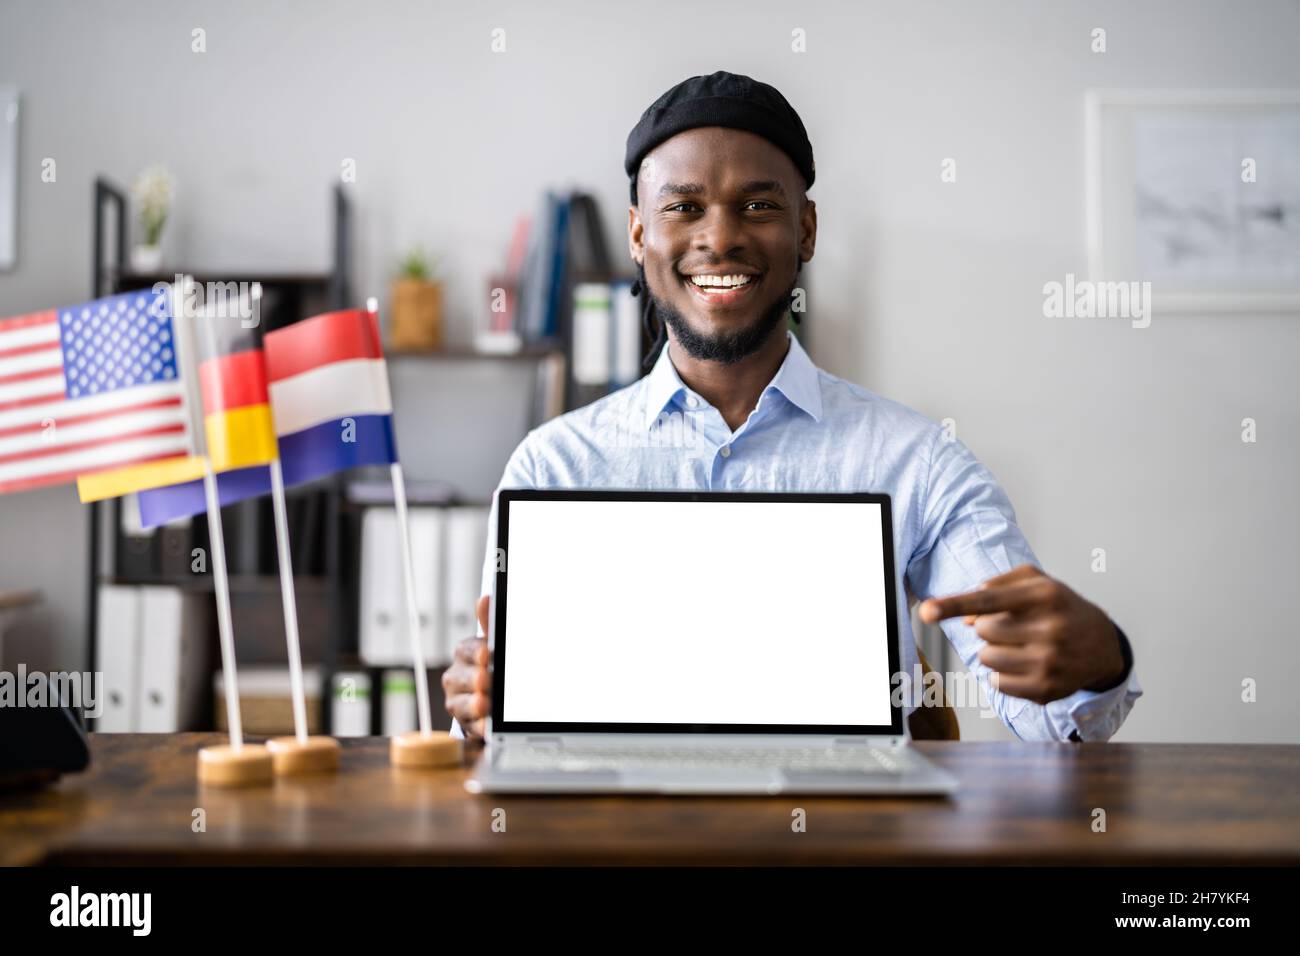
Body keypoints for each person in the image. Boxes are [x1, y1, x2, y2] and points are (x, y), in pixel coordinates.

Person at [444, 71, 1141, 744]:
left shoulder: (919, 463)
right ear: (637, 234)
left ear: (806, 230)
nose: (719, 238)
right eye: (683, 207)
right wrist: (480, 714)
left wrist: (1100, 662)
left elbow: (1045, 720)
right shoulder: (555, 464)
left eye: (757, 206)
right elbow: (510, 727)